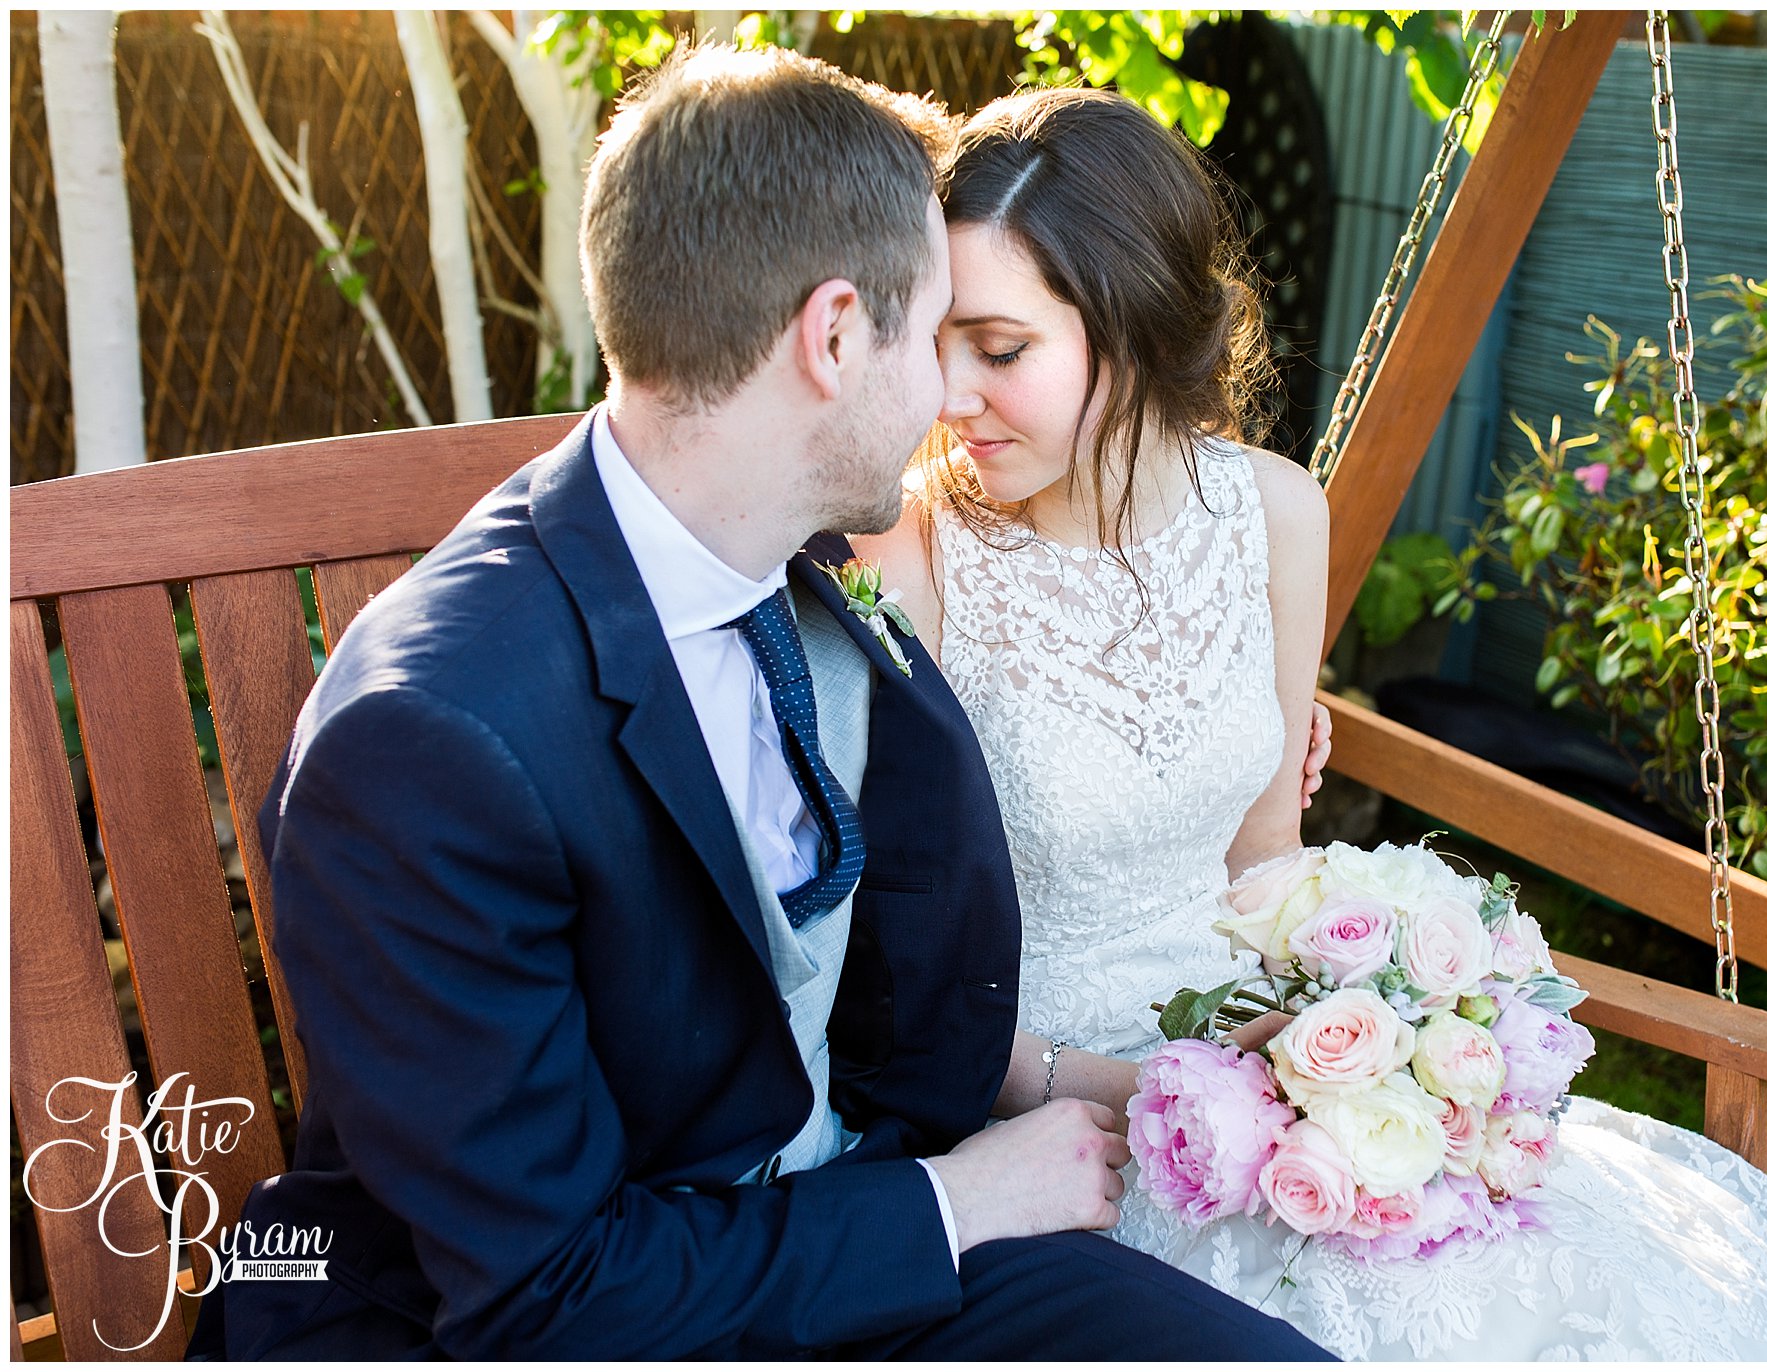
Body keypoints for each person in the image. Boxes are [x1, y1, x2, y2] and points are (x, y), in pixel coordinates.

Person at [187, 47, 1333, 1361]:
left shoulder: (790, 555)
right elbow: (545, 1300)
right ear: (835, 337)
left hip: (851, 1223)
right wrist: (953, 1201)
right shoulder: (429, 741)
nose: (948, 404)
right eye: (933, 333)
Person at [851, 85, 1767, 1362]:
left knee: (1571, 1293)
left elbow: (1262, 860)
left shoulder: (1274, 515)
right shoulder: (913, 555)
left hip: (1259, 1054)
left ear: (1124, 326)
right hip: (1049, 1105)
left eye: (999, 349)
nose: (948, 393)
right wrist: (1132, 1091)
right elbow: (881, 961)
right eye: (939, 339)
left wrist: (1365, 1033)